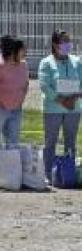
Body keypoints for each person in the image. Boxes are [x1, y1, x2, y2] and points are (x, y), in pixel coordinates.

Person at [39, 29, 82, 176]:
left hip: (74, 108)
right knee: (50, 142)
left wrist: (73, 98)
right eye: (64, 42)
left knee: (70, 143)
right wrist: (62, 100)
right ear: (55, 44)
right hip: (53, 109)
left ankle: (68, 174)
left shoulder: (77, 61)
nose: (68, 45)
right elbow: (45, 86)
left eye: (69, 41)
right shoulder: (46, 63)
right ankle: (47, 174)